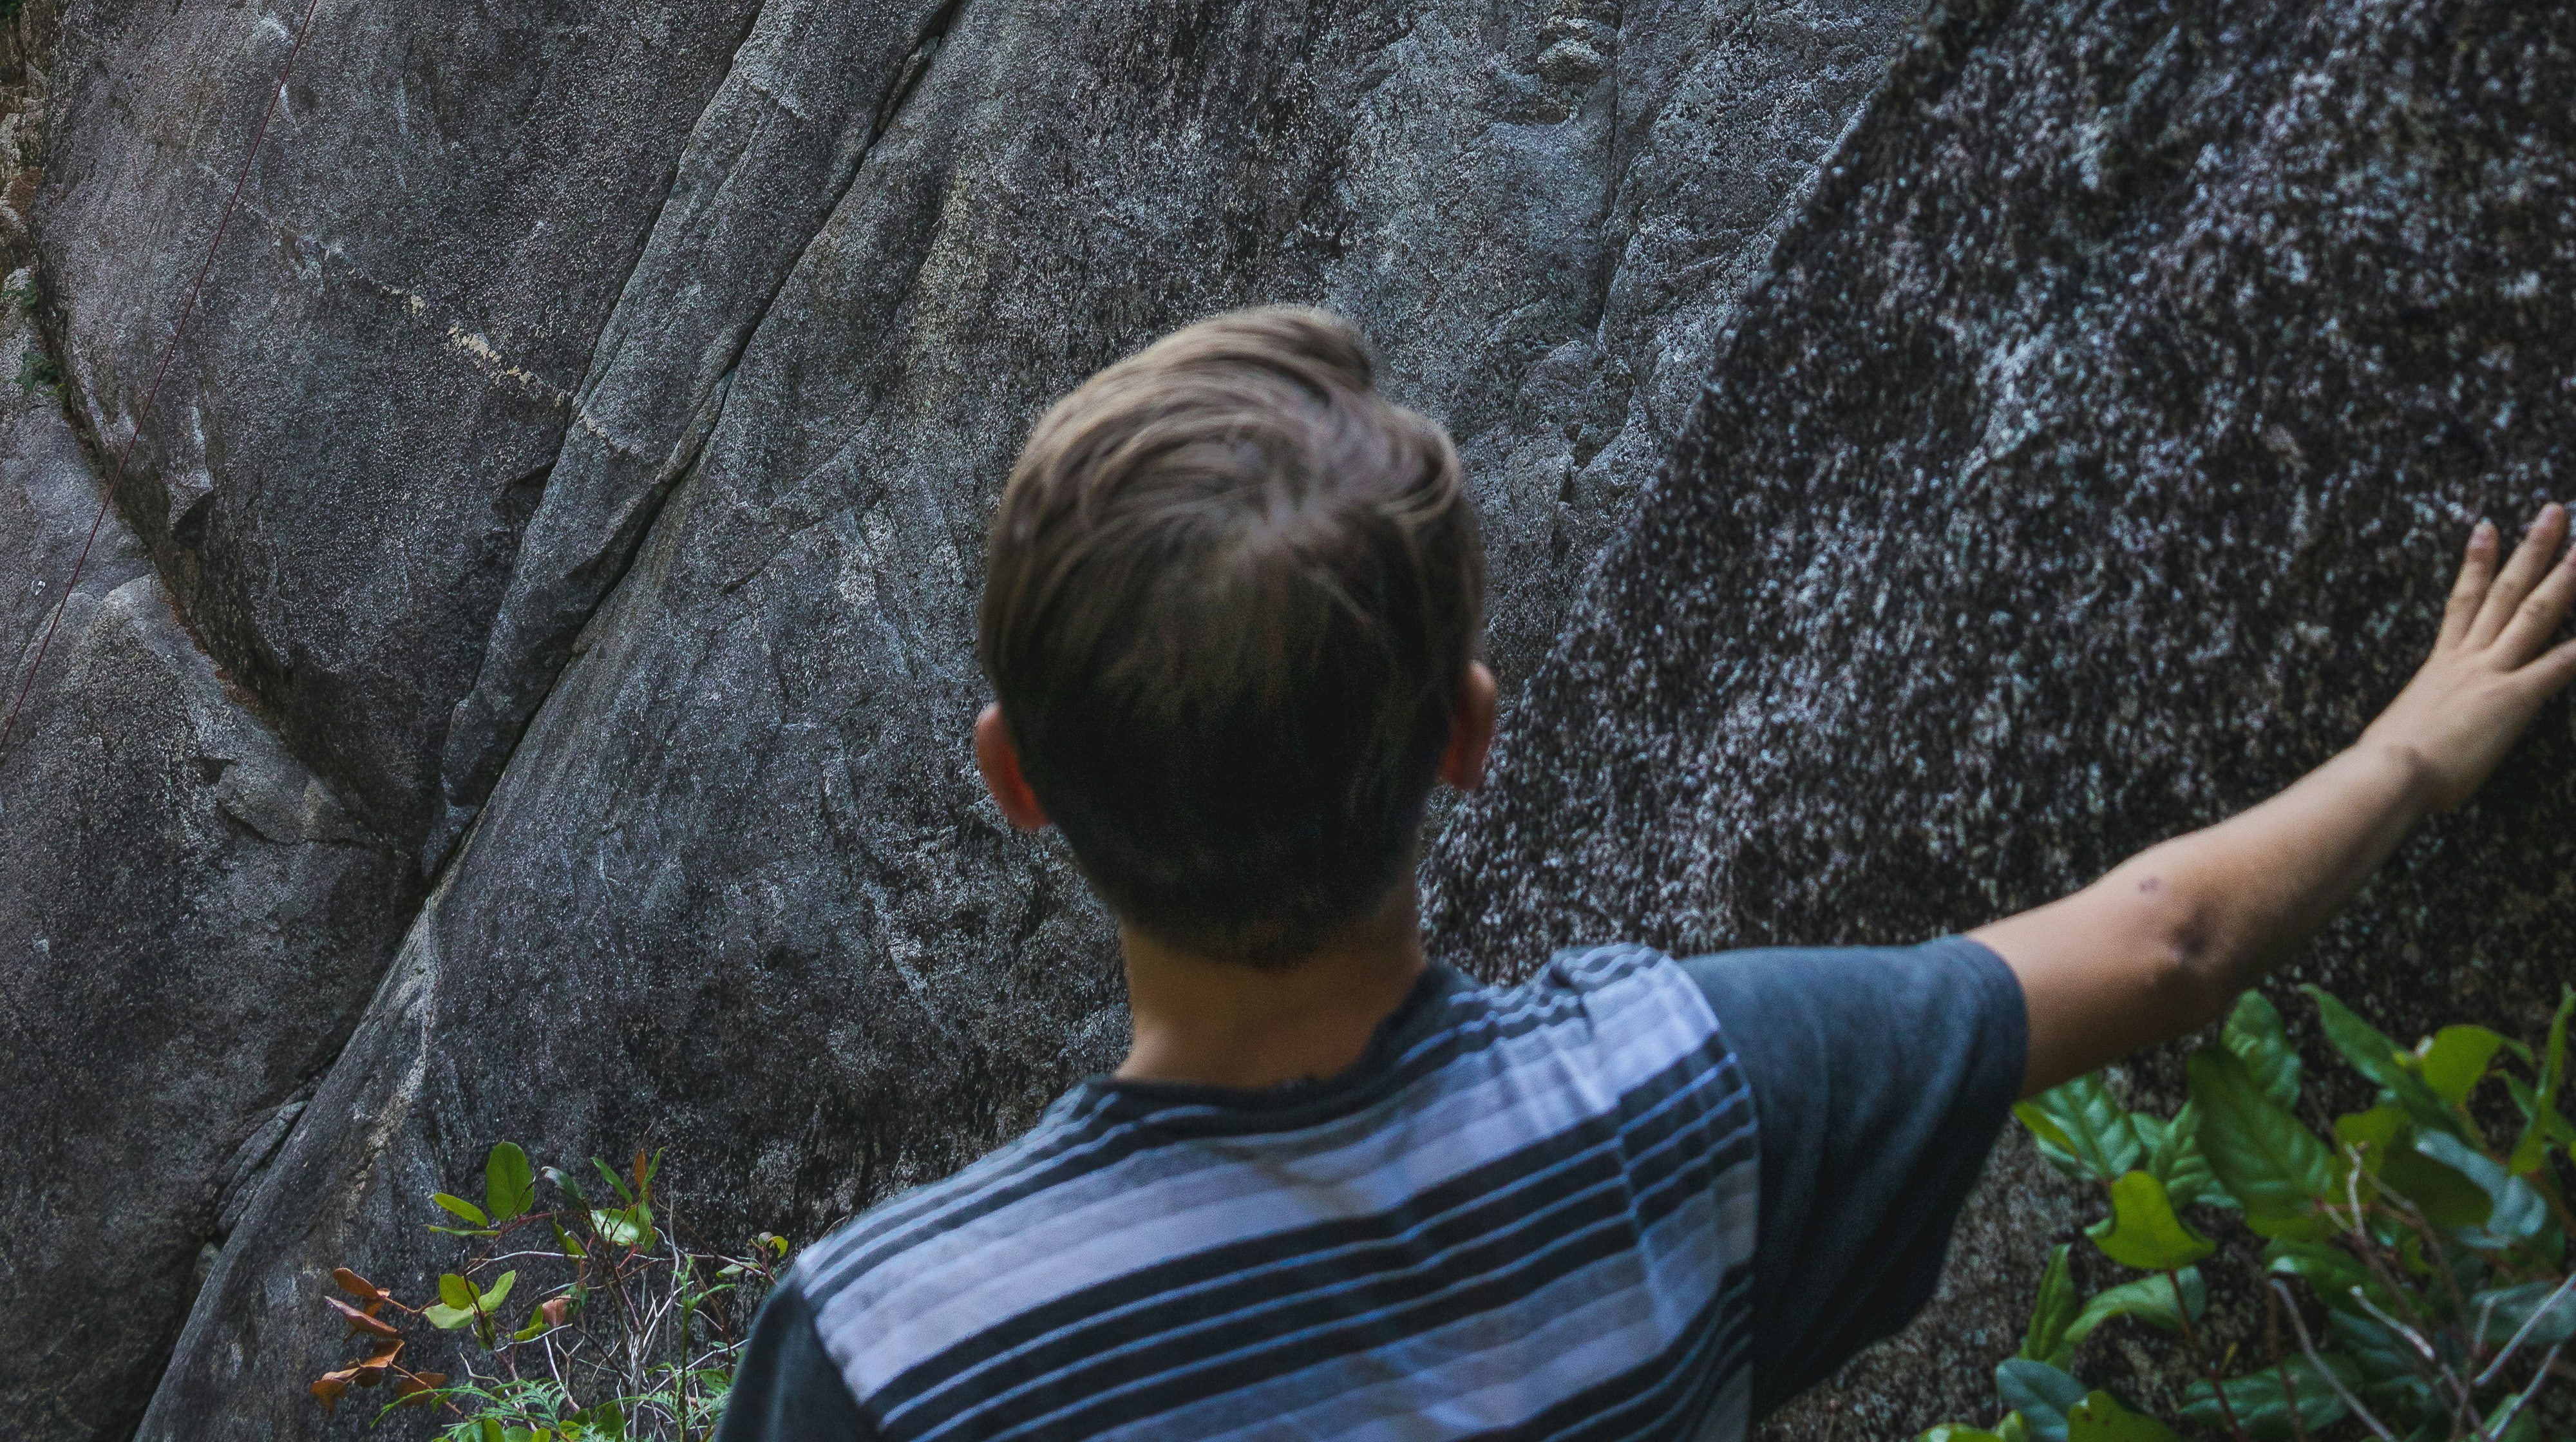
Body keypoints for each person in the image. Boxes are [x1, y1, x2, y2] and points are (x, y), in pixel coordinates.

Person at [717, 307, 2576, 1442]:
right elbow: (2163, 943)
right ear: (1468, 729)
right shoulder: (1686, 1099)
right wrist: (2411, 747)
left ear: (1013, 780)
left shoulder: (897, 1352)